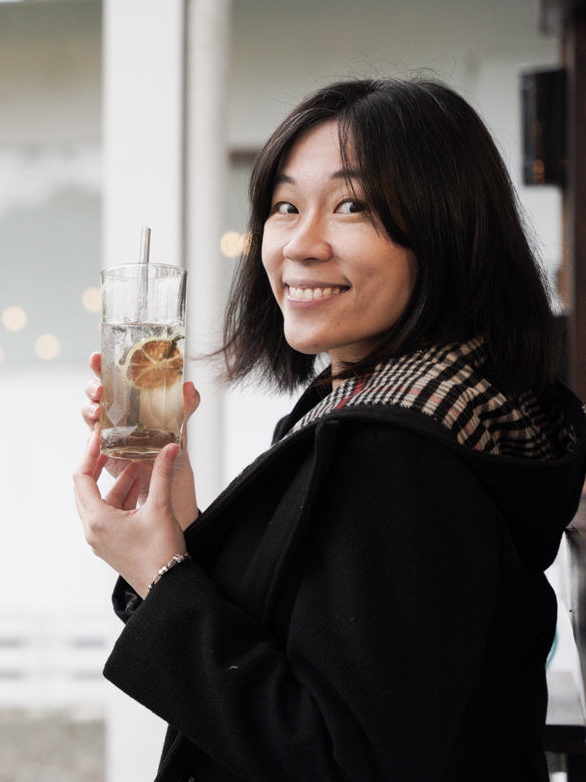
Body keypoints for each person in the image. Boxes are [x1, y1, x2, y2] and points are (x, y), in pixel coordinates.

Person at [73, 76, 586, 781]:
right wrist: (182, 528)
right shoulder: (417, 399)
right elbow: (323, 648)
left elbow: (344, 763)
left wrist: (160, 576)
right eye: (284, 206)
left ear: (448, 230)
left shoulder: (399, 448)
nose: (299, 244)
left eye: (352, 205)